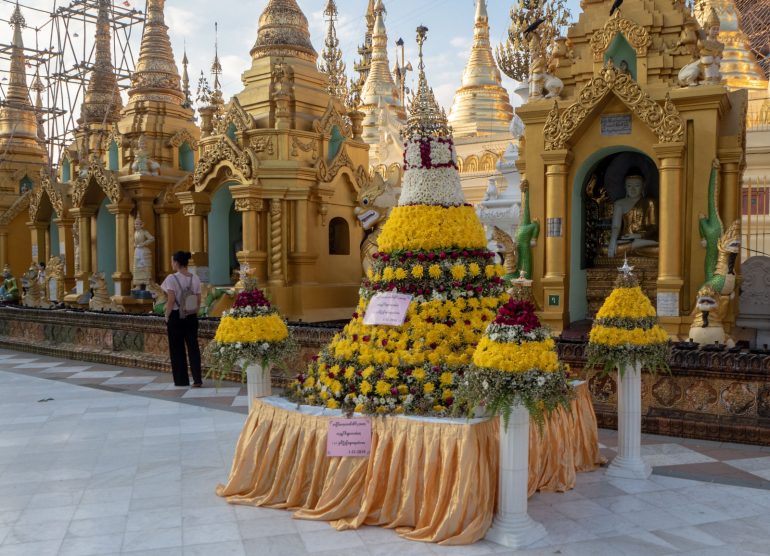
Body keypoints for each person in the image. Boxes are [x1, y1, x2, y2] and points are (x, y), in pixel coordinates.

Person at [161, 251, 203, 387]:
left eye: (172, 261)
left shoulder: (171, 278)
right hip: (191, 316)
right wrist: (193, 311)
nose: (172, 264)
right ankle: (197, 379)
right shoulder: (195, 278)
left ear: (177, 263)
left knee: (177, 349)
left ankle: (181, 380)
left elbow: (171, 299)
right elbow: (198, 299)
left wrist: (167, 315)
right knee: (193, 348)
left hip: (176, 317)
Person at [607, 173, 658, 258]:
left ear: (643, 186)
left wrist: (639, 236)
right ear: (625, 186)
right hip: (626, 240)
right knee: (603, 250)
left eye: (637, 185)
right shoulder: (619, 203)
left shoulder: (650, 202)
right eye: (629, 186)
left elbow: (654, 227)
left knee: (661, 249)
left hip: (645, 239)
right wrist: (612, 241)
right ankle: (634, 246)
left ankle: (635, 245)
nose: (633, 189)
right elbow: (616, 226)